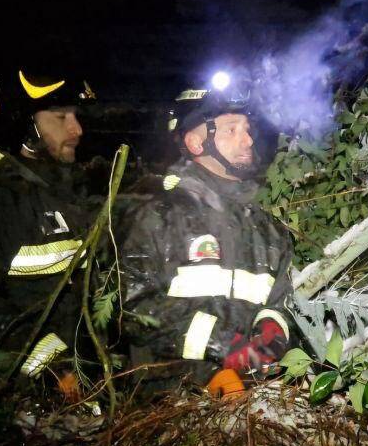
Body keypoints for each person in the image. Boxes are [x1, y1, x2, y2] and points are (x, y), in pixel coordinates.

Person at [119, 78, 294, 396]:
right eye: (231, 129)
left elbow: (281, 302)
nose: (247, 141)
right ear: (197, 143)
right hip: (168, 405)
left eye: (247, 128)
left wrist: (274, 329)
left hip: (254, 401)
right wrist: (222, 352)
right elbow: (135, 309)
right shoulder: (158, 216)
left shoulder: (269, 230)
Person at [0, 71, 99, 397]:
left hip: (76, 369)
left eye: (76, 116)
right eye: (60, 118)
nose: (76, 130)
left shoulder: (66, 188)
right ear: (26, 125)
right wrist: (50, 369)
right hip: (20, 386)